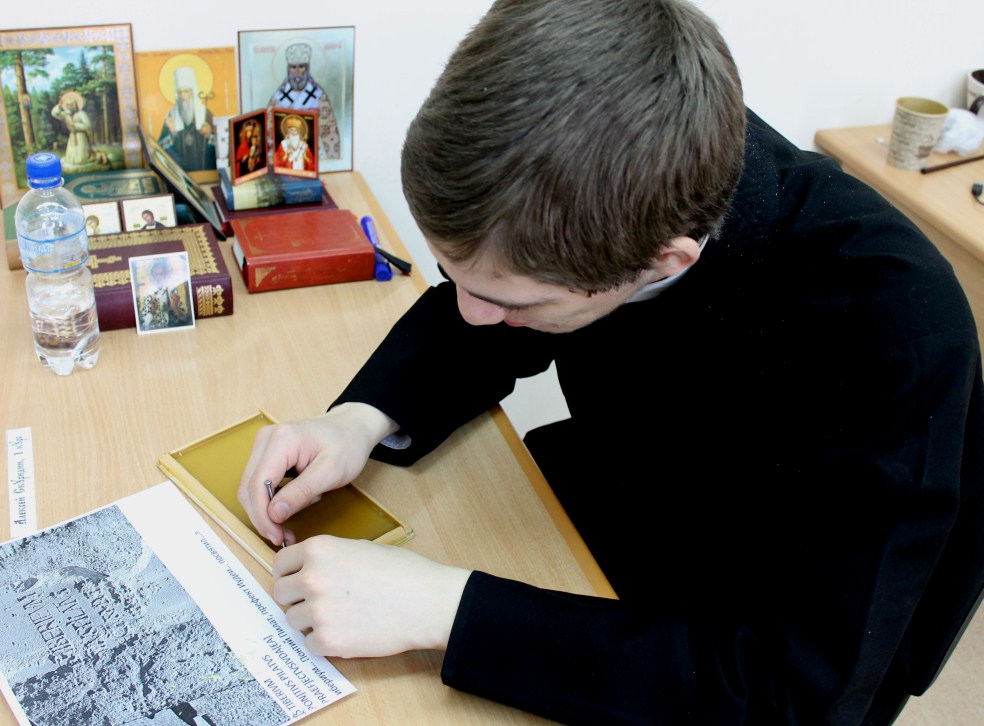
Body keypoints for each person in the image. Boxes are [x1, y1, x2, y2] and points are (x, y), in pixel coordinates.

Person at [237, 0, 984, 723]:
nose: (469, 315)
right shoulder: (619, 168)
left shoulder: (898, 337)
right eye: (451, 274)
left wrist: (447, 610)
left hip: (753, 639)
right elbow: (489, 301)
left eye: (512, 303)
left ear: (664, 261)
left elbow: (790, 691)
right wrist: (358, 420)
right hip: (623, 495)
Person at [267, 42, 341, 161]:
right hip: (285, 156)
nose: (297, 71)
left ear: (307, 69)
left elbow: (329, 132)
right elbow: (269, 131)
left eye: (301, 67)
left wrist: (334, 161)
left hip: (311, 155)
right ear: (288, 69)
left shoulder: (318, 96)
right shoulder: (279, 97)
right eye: (293, 67)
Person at [158, 66, 216, 172]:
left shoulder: (205, 113)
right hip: (180, 171)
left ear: (192, 92)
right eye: (180, 92)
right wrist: (172, 133)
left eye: (186, 91)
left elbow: (221, 143)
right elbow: (160, 148)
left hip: (202, 169)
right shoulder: (171, 115)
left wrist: (209, 135)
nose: (183, 96)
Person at [49, 91, 110, 172]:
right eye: (67, 105)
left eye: (71, 105)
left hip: (81, 136)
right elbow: (54, 114)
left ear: (75, 105)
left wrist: (75, 125)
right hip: (72, 137)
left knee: (82, 159)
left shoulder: (81, 114)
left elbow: (88, 125)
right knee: (71, 160)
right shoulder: (66, 115)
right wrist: (59, 106)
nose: (69, 107)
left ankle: (99, 156)